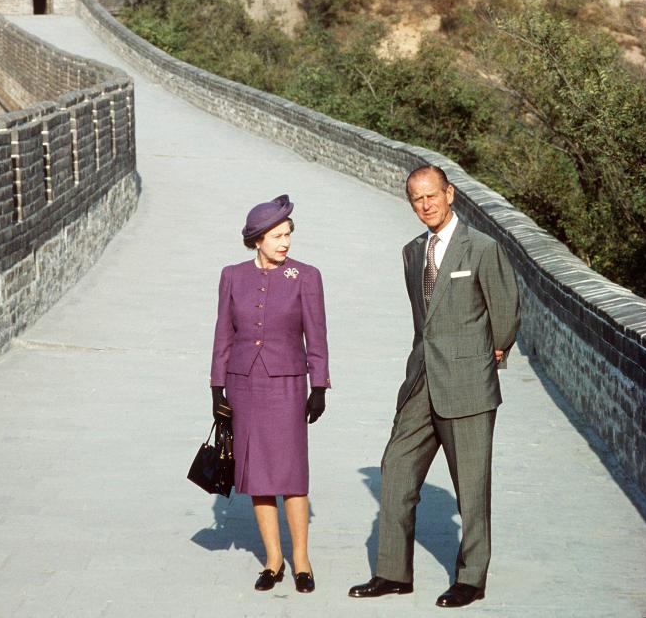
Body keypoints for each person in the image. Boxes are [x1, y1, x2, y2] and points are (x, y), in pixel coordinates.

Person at [349, 165, 520, 609]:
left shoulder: (481, 248)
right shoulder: (411, 252)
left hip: (467, 384)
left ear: (450, 194)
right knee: (396, 470)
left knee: (471, 486)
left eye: (432, 196)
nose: (425, 205)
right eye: (416, 199)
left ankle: (471, 577)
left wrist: (491, 355)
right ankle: (392, 573)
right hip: (421, 381)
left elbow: (506, 312)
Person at [210, 195, 330, 595]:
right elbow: (223, 334)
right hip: (243, 385)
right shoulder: (232, 275)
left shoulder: (307, 276)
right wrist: (216, 386)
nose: (285, 243)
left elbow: (317, 334)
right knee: (258, 475)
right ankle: (273, 559)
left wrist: (320, 386)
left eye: (288, 234)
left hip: (288, 385)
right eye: (277, 236)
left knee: (292, 475)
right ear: (257, 239)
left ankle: (302, 561)